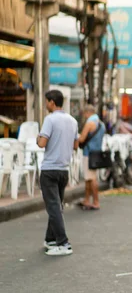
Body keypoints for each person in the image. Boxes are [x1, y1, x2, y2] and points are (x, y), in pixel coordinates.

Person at [36, 90, 79, 256]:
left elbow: (42, 143)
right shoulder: (73, 121)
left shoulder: (50, 119)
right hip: (63, 170)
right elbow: (75, 146)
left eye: (47, 102)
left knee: (53, 207)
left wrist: (38, 137)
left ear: (52, 102)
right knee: (55, 205)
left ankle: (63, 243)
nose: (46, 105)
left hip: (49, 169)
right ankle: (50, 239)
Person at [77, 105, 106, 210]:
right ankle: (87, 200)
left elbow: (82, 139)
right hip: (97, 153)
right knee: (89, 177)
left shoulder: (90, 123)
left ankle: (96, 201)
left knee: (92, 178)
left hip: (89, 153)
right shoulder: (101, 124)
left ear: (87, 112)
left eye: (85, 114)